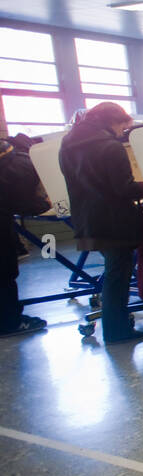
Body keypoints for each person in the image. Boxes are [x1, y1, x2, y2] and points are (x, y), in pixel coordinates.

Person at [58, 102, 143, 344]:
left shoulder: (67, 145)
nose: (123, 133)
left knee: (113, 273)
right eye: (123, 127)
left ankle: (116, 326)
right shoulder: (110, 147)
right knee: (117, 276)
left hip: (86, 219)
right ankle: (117, 331)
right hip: (114, 221)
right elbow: (123, 189)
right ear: (114, 122)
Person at [0, 132, 50, 337]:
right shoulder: (19, 164)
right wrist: (45, 204)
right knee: (4, 274)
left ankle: (10, 318)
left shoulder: (12, 159)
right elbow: (22, 200)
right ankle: (9, 322)